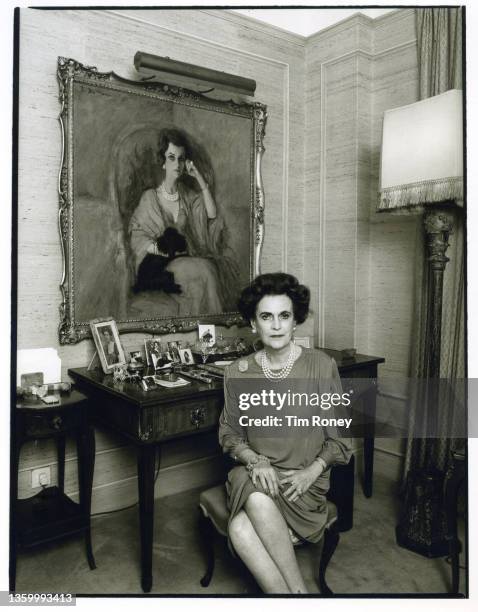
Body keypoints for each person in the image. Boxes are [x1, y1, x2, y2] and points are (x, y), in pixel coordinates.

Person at [218, 273, 352, 594]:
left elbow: (341, 441)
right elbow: (230, 434)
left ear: (295, 322)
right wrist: (255, 460)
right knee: (256, 498)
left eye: (284, 316)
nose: (276, 325)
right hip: (257, 475)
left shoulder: (321, 366)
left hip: (300, 484)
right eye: (266, 316)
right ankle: (300, 596)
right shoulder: (237, 373)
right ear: (253, 324)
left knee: (239, 527)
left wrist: (311, 472)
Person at [128, 128, 238, 315]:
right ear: (163, 162)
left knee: (205, 270)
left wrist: (201, 181)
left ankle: (207, 326)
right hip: (158, 265)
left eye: (181, 158)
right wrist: (161, 249)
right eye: (171, 157)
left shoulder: (187, 195)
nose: (177, 164)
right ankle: (213, 323)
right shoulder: (150, 197)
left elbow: (211, 215)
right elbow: (137, 236)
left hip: (184, 258)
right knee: (204, 270)